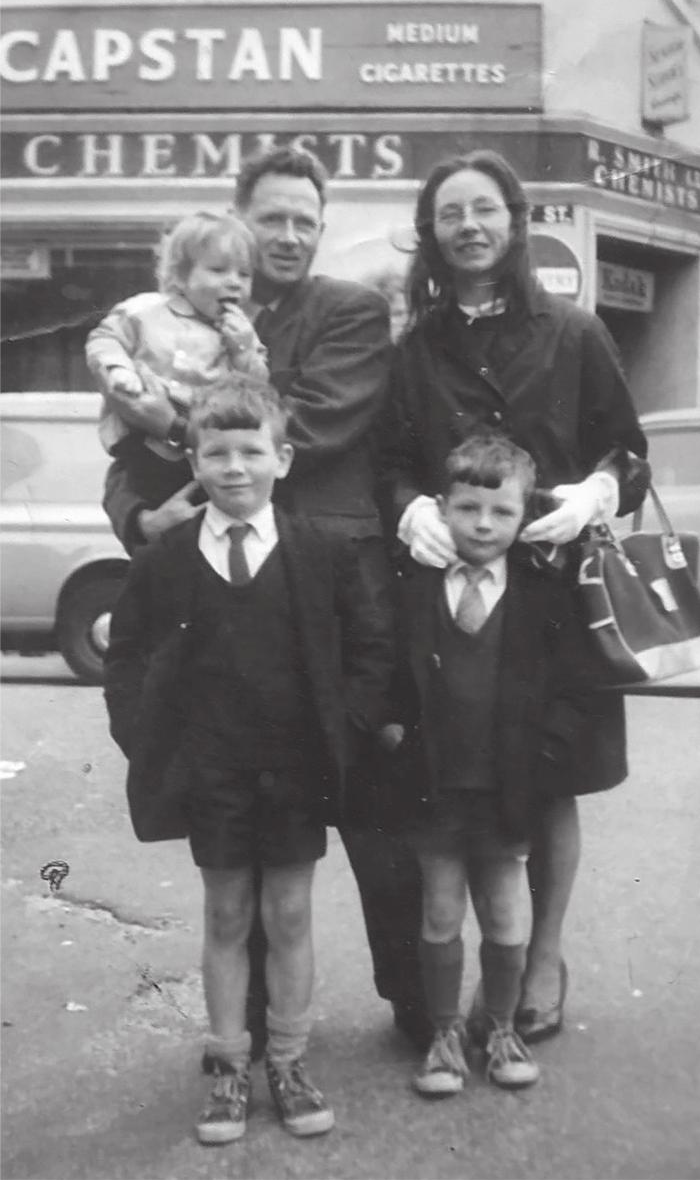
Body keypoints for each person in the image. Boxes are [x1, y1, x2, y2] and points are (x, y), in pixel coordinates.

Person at [96, 145, 429, 1050]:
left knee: (370, 809)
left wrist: (193, 448)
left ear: (322, 233)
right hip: (217, 582)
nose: (287, 236)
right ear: (238, 218)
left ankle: (417, 1004)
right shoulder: (181, 313)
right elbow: (129, 453)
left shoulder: (348, 312)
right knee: (241, 824)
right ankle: (245, 1031)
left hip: (329, 586)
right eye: (271, 218)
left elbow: (306, 430)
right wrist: (142, 519)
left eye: (304, 222)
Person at [381, 148, 650, 1043]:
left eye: (485, 209)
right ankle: (471, 981)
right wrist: (409, 505)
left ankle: (543, 957)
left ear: (514, 220)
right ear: (432, 233)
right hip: (453, 601)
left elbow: (629, 450)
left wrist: (597, 493)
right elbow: (387, 460)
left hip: (556, 593)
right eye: (451, 212)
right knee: (460, 777)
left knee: (552, 779)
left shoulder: (572, 331)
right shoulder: (416, 347)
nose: (469, 226)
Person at [104, 377, 395, 1145]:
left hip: (295, 766)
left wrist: (352, 728)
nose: (235, 468)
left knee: (290, 913)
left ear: (284, 457)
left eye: (251, 451)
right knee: (228, 912)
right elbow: (126, 652)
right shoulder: (168, 556)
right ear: (194, 462)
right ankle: (230, 1065)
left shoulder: (319, 551)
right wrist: (146, 737)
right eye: (217, 453)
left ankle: (291, 1062)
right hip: (213, 769)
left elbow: (370, 648)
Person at [382, 433, 601, 1097]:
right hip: (436, 790)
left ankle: (500, 1028)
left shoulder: (540, 591)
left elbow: (572, 686)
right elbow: (388, 674)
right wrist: (393, 736)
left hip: (506, 790)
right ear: (440, 508)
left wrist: (544, 756)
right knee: (441, 915)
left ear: (523, 517)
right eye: (468, 507)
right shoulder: (413, 587)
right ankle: (446, 1033)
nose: (483, 524)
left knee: (507, 916)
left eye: (501, 512)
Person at [86, 211, 267, 471]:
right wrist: (120, 370)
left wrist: (243, 350)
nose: (234, 283)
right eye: (218, 270)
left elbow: (258, 393)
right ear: (180, 276)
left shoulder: (243, 333)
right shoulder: (145, 311)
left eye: (244, 274)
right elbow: (104, 339)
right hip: (136, 444)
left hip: (197, 453)